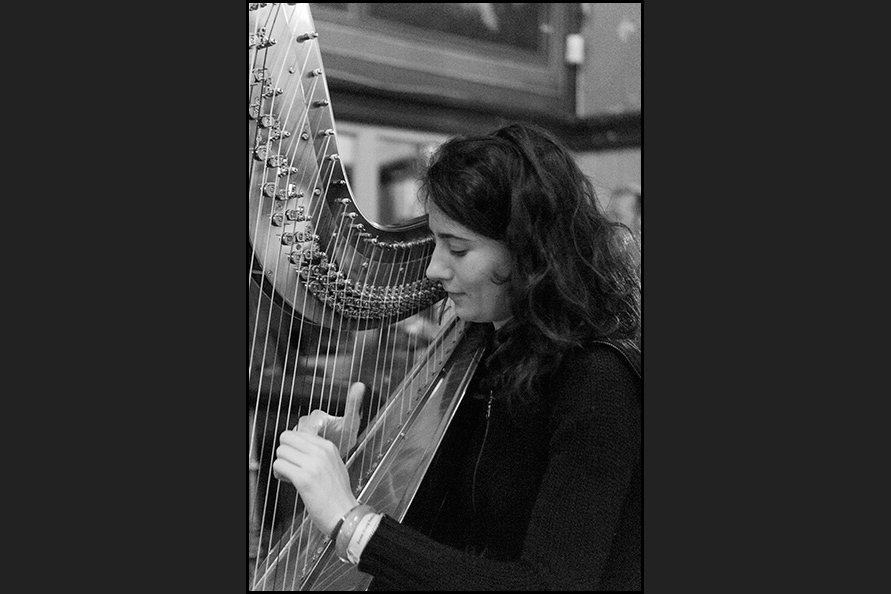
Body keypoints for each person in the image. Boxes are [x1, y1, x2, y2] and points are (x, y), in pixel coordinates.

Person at [273, 122, 642, 590]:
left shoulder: (599, 380)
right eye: (434, 242)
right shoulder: (487, 349)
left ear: (530, 254)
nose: (433, 268)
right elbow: (446, 520)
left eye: (458, 248)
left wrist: (352, 523)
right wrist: (352, 462)